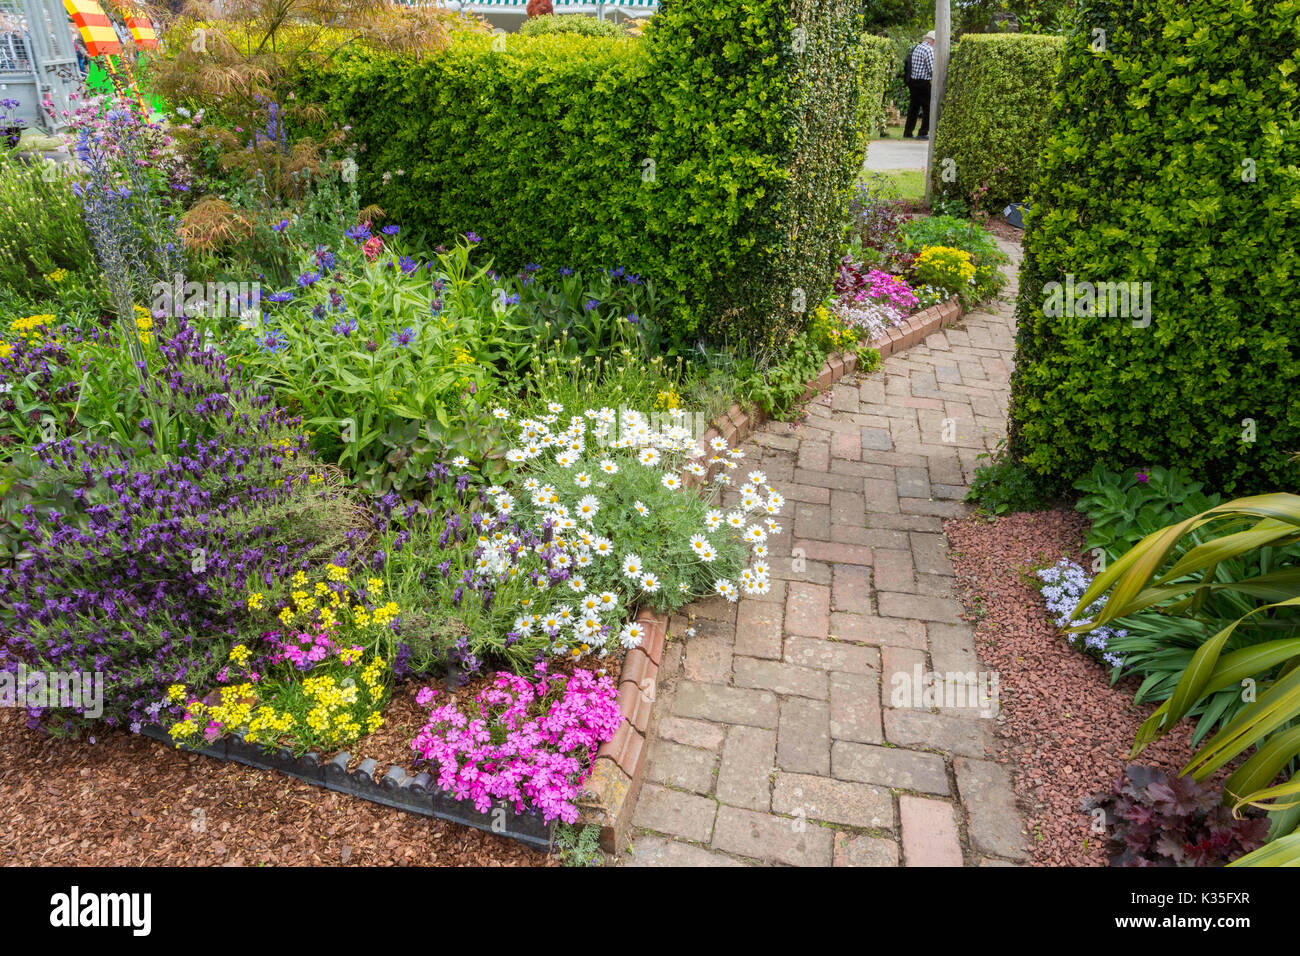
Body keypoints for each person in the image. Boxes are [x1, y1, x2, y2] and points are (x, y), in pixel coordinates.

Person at [903, 30, 935, 140]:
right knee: (928, 108)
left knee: (913, 108)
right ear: (933, 41)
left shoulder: (918, 47)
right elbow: (932, 69)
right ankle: (923, 132)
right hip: (923, 83)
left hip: (913, 81)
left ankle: (908, 131)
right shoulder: (929, 50)